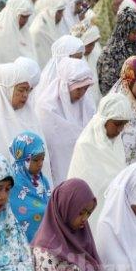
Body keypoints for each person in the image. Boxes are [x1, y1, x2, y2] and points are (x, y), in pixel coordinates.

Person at [32, 178, 110, 271]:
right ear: (65, 208)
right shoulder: (45, 248)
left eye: (88, 213)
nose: (85, 218)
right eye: (80, 212)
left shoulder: (81, 233)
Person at [67, 93, 133, 227]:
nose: (120, 129)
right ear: (104, 120)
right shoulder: (86, 145)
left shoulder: (117, 142)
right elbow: (83, 186)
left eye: (124, 125)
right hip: (91, 211)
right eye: (117, 124)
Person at [34, 57, 94, 185]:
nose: (82, 93)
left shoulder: (87, 104)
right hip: (59, 167)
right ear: (65, 86)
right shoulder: (47, 107)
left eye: (85, 88)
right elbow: (51, 145)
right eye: (78, 89)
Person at [9, 131, 51, 241]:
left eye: (43, 158)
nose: (40, 163)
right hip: (25, 247)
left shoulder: (42, 180)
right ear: (23, 159)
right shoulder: (13, 184)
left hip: (47, 246)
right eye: (36, 159)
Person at [97, 7, 136, 95]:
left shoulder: (132, 46)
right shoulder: (110, 54)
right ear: (124, 30)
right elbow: (107, 87)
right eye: (134, 32)